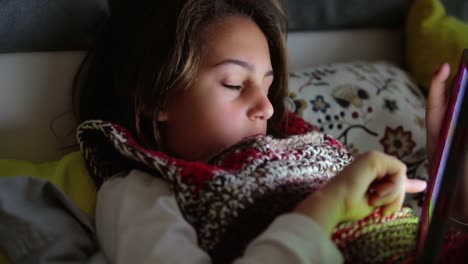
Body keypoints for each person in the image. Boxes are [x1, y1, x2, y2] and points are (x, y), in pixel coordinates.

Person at [72, 0, 465, 263]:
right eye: (233, 84)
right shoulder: (139, 192)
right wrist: (328, 205)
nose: (267, 107)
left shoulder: (304, 150)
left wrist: (449, 174)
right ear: (155, 100)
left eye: (267, 84)